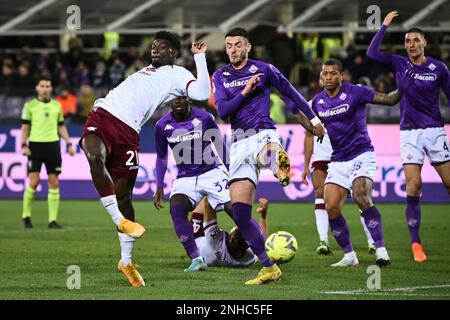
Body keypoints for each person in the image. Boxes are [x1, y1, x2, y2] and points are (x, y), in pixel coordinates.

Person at [79, 31, 211, 287]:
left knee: (124, 197)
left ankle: (126, 261)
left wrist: (200, 58)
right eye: (153, 45)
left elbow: (203, 93)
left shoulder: (179, 74)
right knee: (93, 154)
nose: (155, 49)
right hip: (104, 115)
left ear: (173, 53)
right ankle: (120, 222)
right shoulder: (143, 71)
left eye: (162, 47)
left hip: (129, 133)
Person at [212, 27, 325, 284]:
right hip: (238, 144)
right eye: (229, 45)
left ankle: (278, 164)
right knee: (240, 214)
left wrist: (314, 119)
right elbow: (223, 110)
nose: (233, 49)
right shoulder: (220, 75)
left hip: (262, 132)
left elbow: (291, 94)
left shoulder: (265, 69)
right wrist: (246, 91)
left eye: (238, 44)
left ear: (248, 47)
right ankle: (269, 267)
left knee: (268, 154)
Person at [367, 11, 450, 263]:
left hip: (435, 131)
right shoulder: (399, 63)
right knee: (414, 185)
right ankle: (416, 243)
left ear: (424, 43)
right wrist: (383, 26)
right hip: (409, 133)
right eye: (407, 41)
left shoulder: (439, 68)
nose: (411, 45)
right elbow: (372, 53)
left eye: (415, 40)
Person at [311, 58, 405, 267]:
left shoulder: (356, 92)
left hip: (361, 154)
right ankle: (349, 255)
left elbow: (389, 100)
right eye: (325, 74)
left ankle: (381, 251)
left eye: (333, 73)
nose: (328, 77)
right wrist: (311, 127)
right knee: (331, 207)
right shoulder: (318, 102)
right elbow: (306, 119)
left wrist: (403, 87)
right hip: (338, 160)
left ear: (341, 76)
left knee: (361, 194)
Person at [153, 96, 229, 272]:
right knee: (176, 209)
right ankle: (196, 259)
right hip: (185, 178)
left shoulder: (205, 117)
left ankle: (261, 253)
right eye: (174, 99)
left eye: (181, 98)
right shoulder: (162, 125)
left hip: (212, 172)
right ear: (169, 102)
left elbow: (219, 145)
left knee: (237, 210)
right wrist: (159, 185)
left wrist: (232, 173)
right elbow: (162, 157)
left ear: (188, 100)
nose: (178, 102)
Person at [302, 131, 376, 255]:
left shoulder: (345, 111)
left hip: (346, 156)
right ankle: (323, 241)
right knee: (320, 192)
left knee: (361, 197)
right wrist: (306, 165)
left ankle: (372, 240)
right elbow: (309, 135)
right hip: (321, 158)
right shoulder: (312, 112)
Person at [20, 77, 75, 229]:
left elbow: (61, 126)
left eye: (48, 86)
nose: (45, 88)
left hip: (52, 146)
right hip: (35, 146)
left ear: (51, 89)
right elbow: (25, 127)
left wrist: (69, 143)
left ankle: (52, 220)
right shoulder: (29, 106)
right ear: (37, 88)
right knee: (34, 181)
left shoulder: (56, 105)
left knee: (54, 182)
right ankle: (26, 216)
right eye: (42, 85)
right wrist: (24, 145)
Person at [190, 197, 269, 267]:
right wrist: (263, 216)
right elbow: (261, 241)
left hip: (197, 243)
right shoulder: (248, 259)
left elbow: (208, 205)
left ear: (231, 239)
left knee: (203, 199)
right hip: (213, 254)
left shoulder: (215, 241)